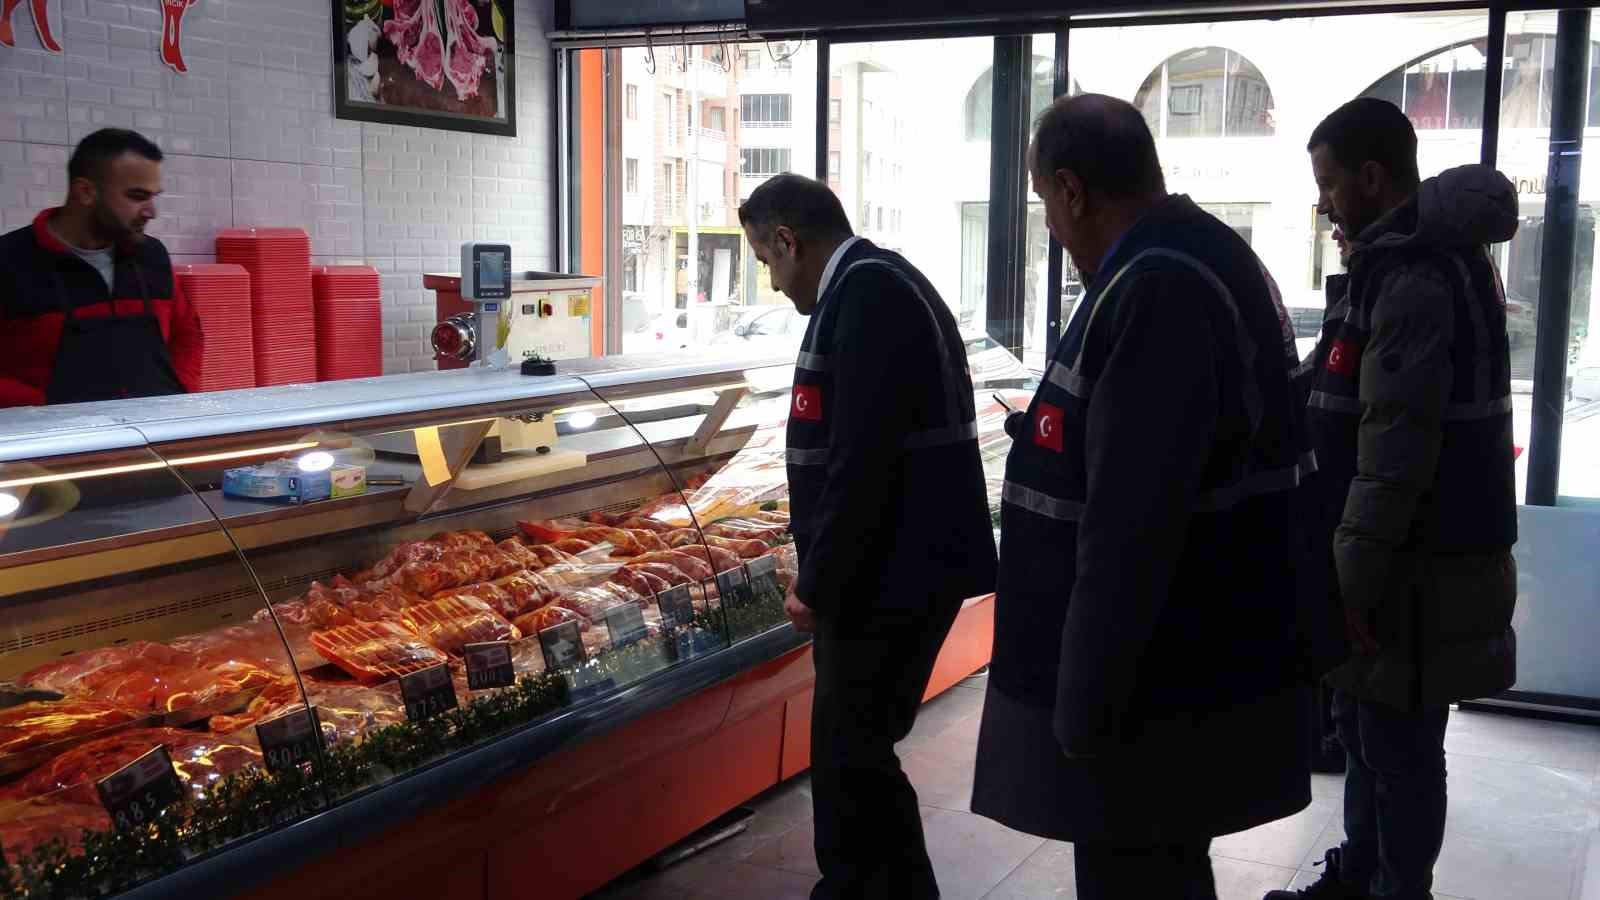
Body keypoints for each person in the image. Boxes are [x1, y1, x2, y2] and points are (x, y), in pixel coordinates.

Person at [970, 94, 1313, 900]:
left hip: (1153, 679)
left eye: (1046, 205)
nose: (1050, 225)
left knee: (1138, 870)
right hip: (1178, 662)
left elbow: (1130, 530)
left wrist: (1083, 697)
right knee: (1159, 862)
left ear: (1071, 189)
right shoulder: (1195, 256)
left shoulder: (1158, 286)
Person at [1267, 98, 1519, 900]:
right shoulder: (1389, 267)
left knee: (1401, 748)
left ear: (1373, 178)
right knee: (1366, 733)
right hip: (1388, 564)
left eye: (1330, 184)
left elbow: (1392, 460)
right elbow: (1337, 394)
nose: (1325, 205)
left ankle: (1395, 889)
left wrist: (1349, 584)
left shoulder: (1413, 278)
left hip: (1410, 573)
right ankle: (1361, 876)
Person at [737, 173, 997, 900]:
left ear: (789, 241)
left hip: (892, 571)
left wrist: (818, 580)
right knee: (858, 750)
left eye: (766, 260)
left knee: (851, 754)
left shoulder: (867, 295)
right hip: (897, 567)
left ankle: (862, 889)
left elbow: (862, 460)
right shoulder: (876, 282)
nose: (773, 281)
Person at [0, 128, 201, 407]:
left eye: (153, 196)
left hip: (155, 435)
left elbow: (187, 331)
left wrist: (180, 391)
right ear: (86, 192)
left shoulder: (151, 256)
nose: (151, 211)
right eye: (137, 196)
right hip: (59, 445)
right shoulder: (9, 261)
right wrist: (40, 409)